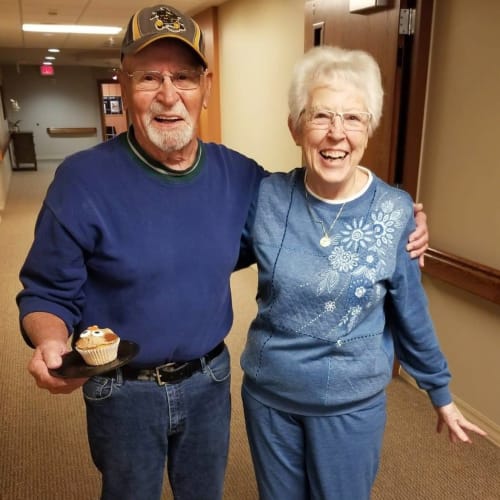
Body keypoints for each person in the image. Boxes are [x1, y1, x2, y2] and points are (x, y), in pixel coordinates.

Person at [16, 5, 428, 500]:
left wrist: (400, 219)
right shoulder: (81, 181)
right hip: (120, 387)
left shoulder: (241, 178)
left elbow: (313, 207)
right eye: (149, 76)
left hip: (208, 381)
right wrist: (50, 341)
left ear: (205, 87)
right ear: (123, 83)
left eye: (184, 77)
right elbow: (45, 292)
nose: (169, 95)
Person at [239, 45, 487, 500]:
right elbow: (205, 254)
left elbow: (411, 312)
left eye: (353, 118)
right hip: (269, 397)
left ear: (369, 129)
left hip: (350, 406)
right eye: (320, 116)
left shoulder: (395, 212)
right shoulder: (268, 197)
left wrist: (440, 391)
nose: (337, 134)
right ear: (296, 127)